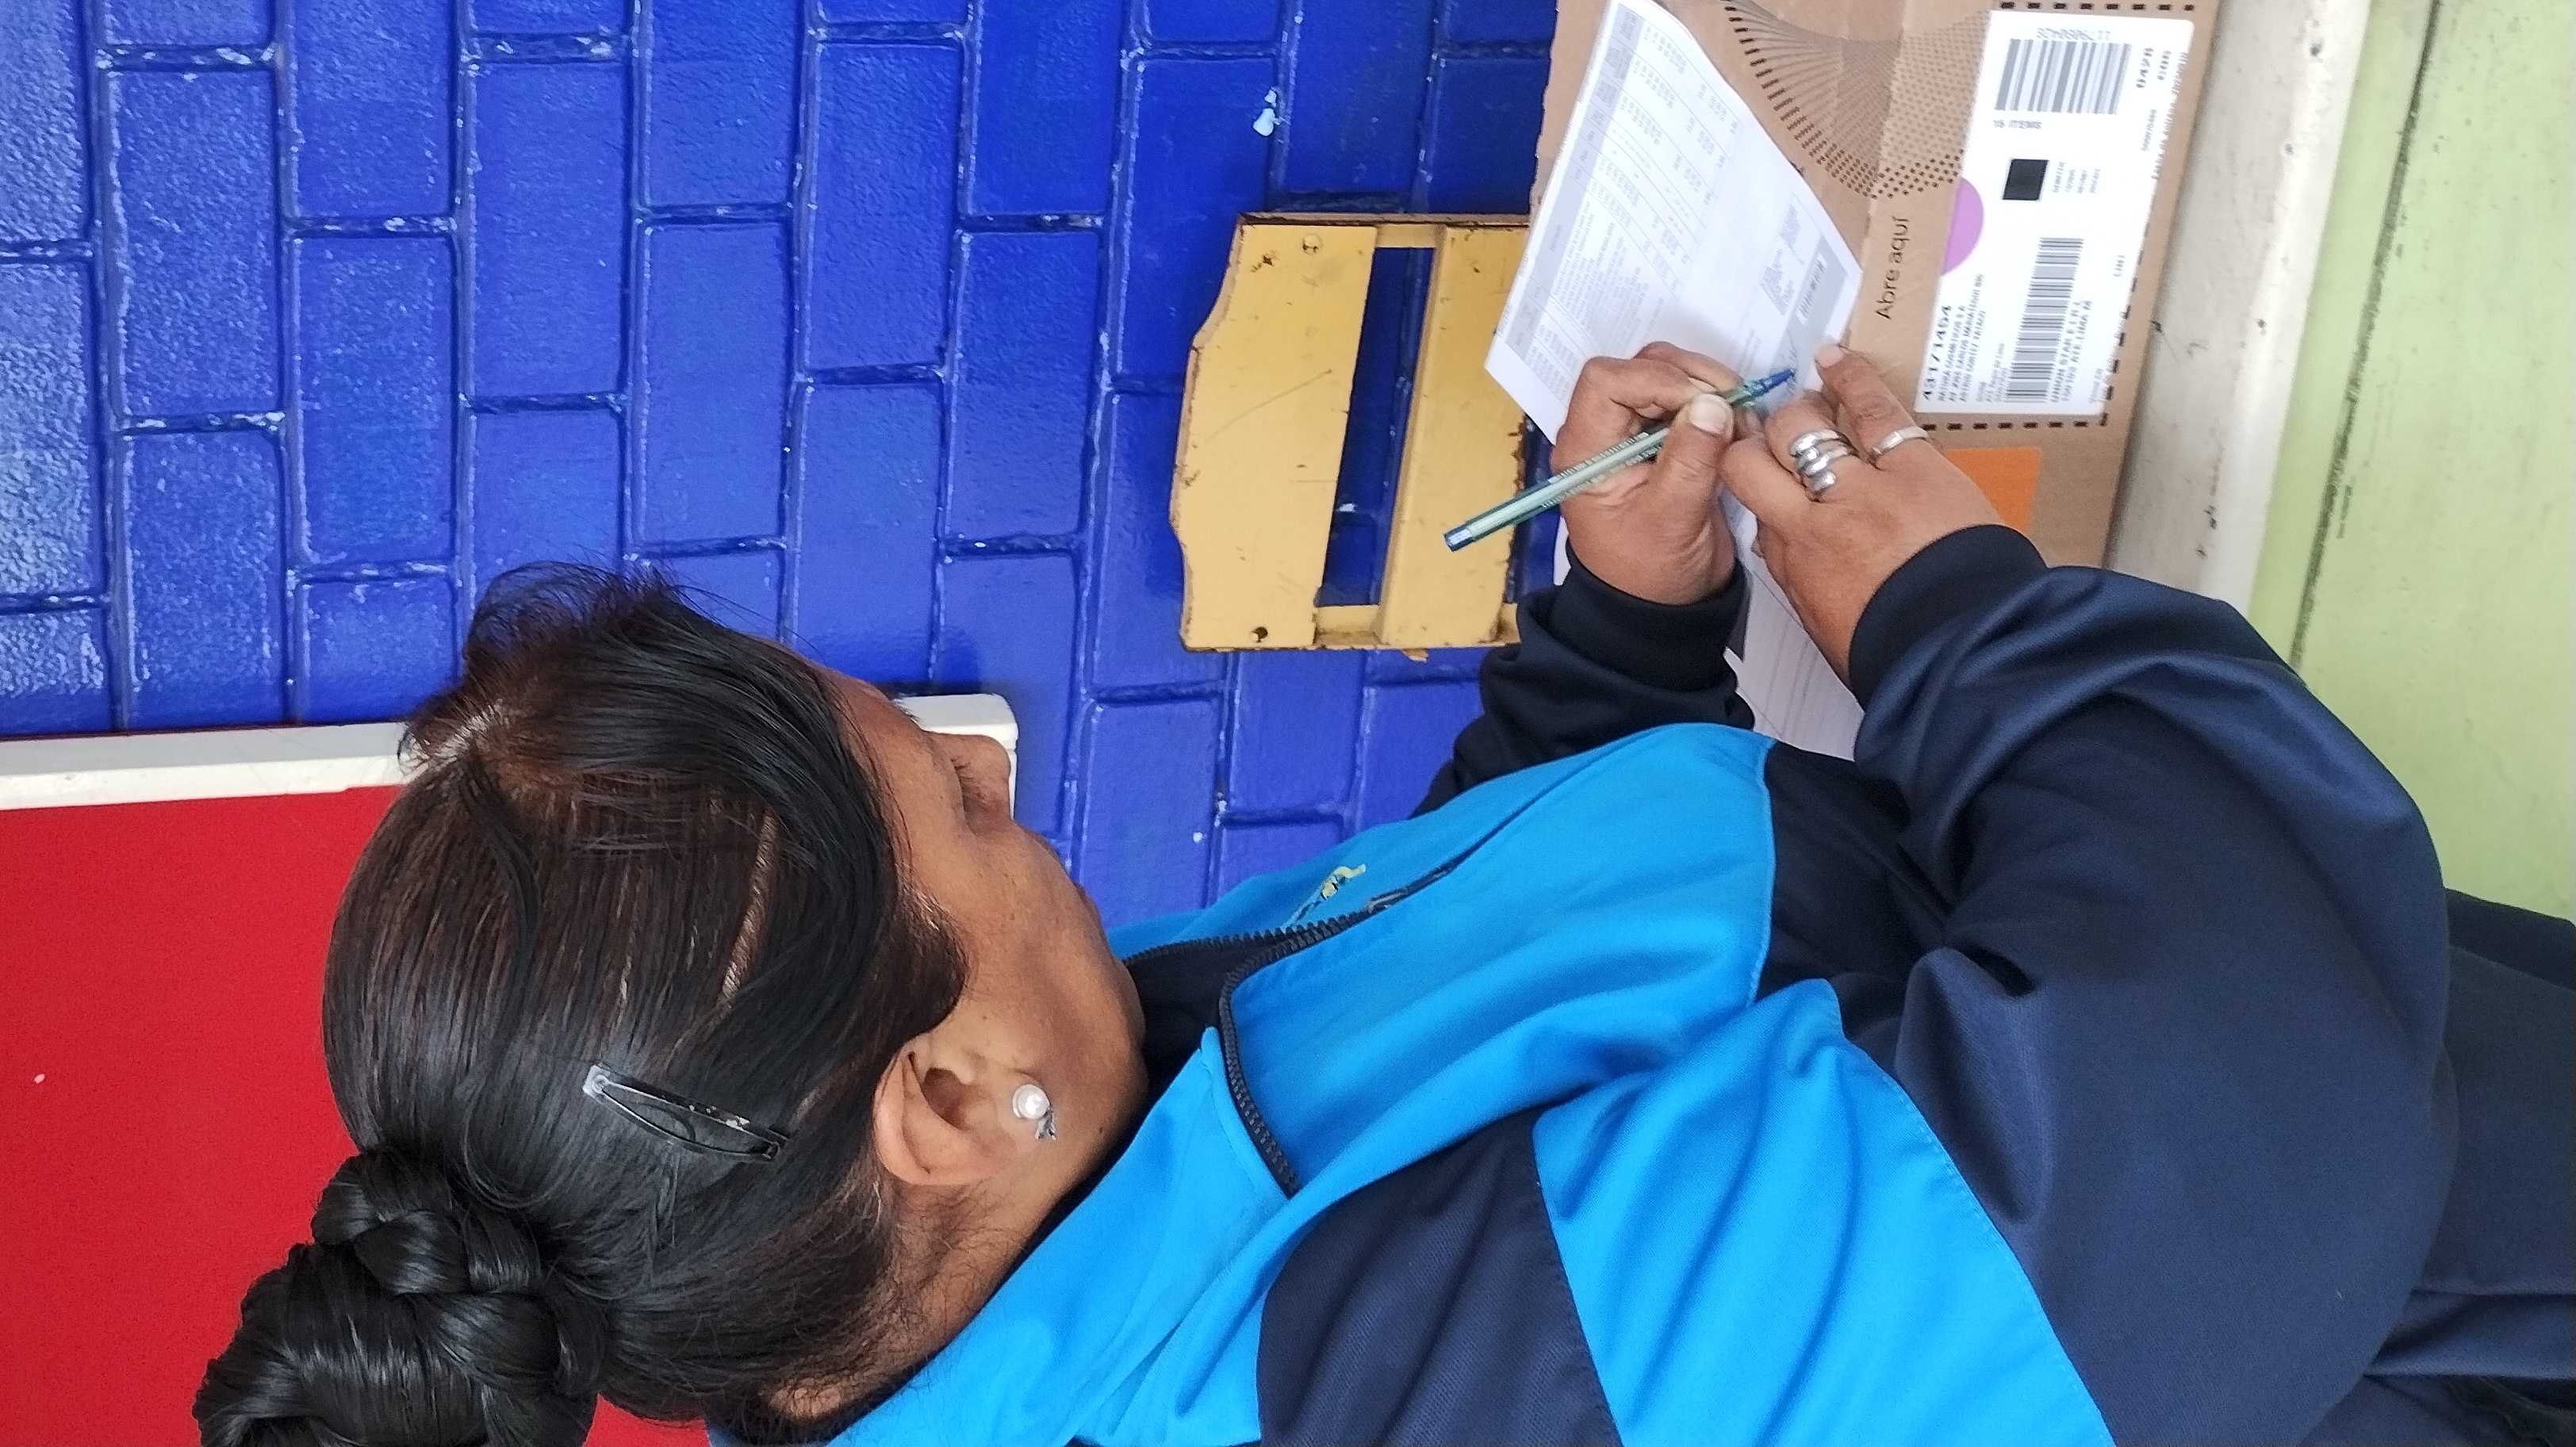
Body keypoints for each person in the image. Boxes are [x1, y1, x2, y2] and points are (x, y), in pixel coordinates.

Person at [196, 346, 2573, 1447]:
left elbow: (1457, 1028)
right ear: (938, 1093)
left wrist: (1613, 649)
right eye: (959, 810)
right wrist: (1970, 632)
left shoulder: (1000, 1214)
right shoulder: (1383, 1393)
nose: (1003, 784)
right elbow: (2212, 1126)